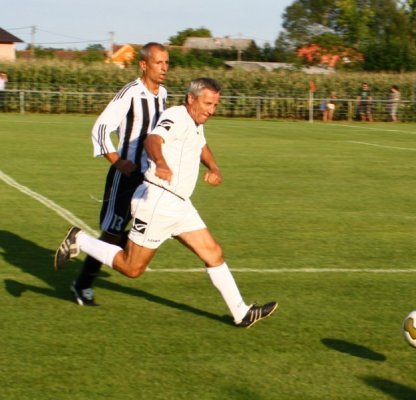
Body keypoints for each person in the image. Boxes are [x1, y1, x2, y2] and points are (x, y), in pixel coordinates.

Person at [55, 77, 278, 328]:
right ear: (191, 99)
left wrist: (214, 167)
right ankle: (79, 240)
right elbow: (153, 140)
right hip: (158, 202)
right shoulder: (176, 115)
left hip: (180, 205)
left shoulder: (195, 123)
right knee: (132, 268)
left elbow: (202, 146)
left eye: (215, 105)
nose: (212, 110)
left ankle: (241, 313)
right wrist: (160, 163)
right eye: (207, 104)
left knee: (213, 253)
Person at [70, 42, 169, 306]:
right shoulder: (130, 93)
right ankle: (82, 284)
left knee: (150, 226)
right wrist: (117, 161)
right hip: (125, 176)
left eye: (167, 63)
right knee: (113, 233)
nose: (164, 68)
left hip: (150, 178)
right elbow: (101, 128)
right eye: (158, 62)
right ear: (144, 65)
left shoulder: (163, 94)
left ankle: (104, 252)